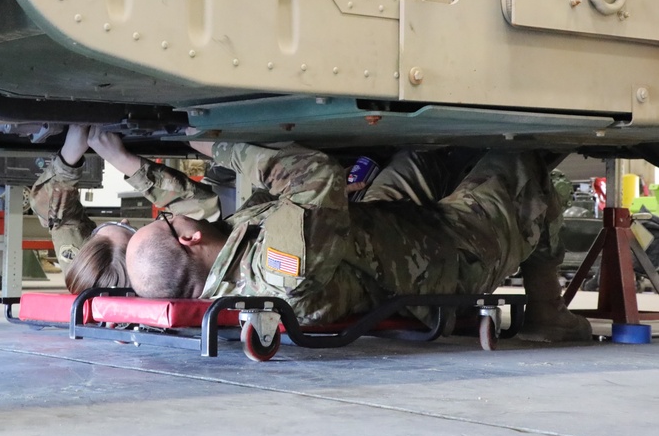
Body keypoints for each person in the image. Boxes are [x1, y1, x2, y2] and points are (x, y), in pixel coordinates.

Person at [125, 139, 592, 343]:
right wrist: (225, 148)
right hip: (446, 258)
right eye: (169, 221)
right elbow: (314, 176)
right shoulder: (276, 272)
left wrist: (127, 160)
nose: (175, 214)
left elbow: (219, 206)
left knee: (420, 155)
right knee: (519, 157)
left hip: (386, 236)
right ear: (187, 238)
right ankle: (548, 312)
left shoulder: (231, 273)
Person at [30, 125, 221, 293]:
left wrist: (69, 157)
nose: (125, 221)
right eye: (131, 233)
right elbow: (201, 209)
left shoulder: (88, 269)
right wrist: (121, 159)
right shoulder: (169, 274)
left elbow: (54, 214)